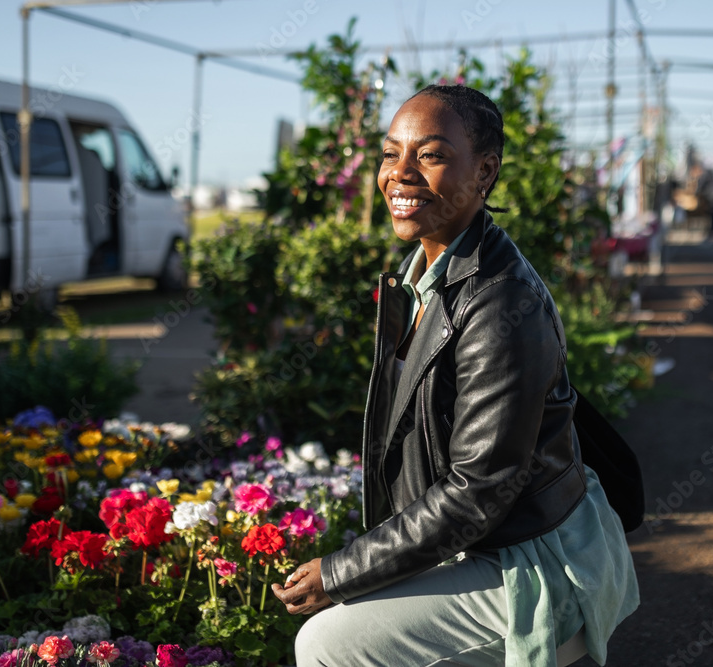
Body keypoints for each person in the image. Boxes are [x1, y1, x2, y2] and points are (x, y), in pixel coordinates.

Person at [271, 84, 639, 666]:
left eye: (431, 155)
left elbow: (480, 490)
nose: (400, 174)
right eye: (391, 154)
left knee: (325, 644)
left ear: (485, 171)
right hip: (483, 543)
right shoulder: (421, 275)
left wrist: (341, 572)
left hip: (532, 563)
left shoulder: (499, 302)